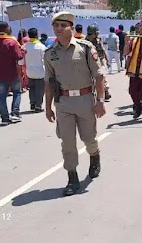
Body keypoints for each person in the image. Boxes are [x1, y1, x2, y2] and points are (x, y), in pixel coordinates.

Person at [43, 11, 106, 196]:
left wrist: (100, 101)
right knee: (68, 143)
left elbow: (98, 76)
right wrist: (47, 107)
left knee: (89, 138)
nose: (59, 29)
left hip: (85, 100)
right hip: (63, 102)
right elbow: (48, 82)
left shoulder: (85, 48)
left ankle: (94, 157)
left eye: (63, 26)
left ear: (71, 27)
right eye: (56, 26)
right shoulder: (50, 53)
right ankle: (72, 177)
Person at [0, 21, 24, 125]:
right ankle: (15, 113)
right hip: (12, 73)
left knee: (1, 97)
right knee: (17, 92)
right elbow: (19, 56)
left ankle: (4, 118)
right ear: (7, 28)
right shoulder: (12, 42)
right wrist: (23, 52)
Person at [85, 24, 112, 102]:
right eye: (96, 33)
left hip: (100, 60)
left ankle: (106, 91)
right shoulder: (85, 42)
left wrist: (107, 59)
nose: (97, 34)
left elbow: (103, 50)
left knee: (103, 76)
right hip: (90, 61)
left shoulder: (98, 40)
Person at [24, 28, 47, 112]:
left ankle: (32, 103)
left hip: (29, 71)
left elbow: (21, 61)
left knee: (32, 89)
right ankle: (38, 105)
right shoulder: (41, 47)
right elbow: (45, 60)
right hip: (40, 71)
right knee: (40, 89)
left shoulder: (25, 46)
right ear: (37, 35)